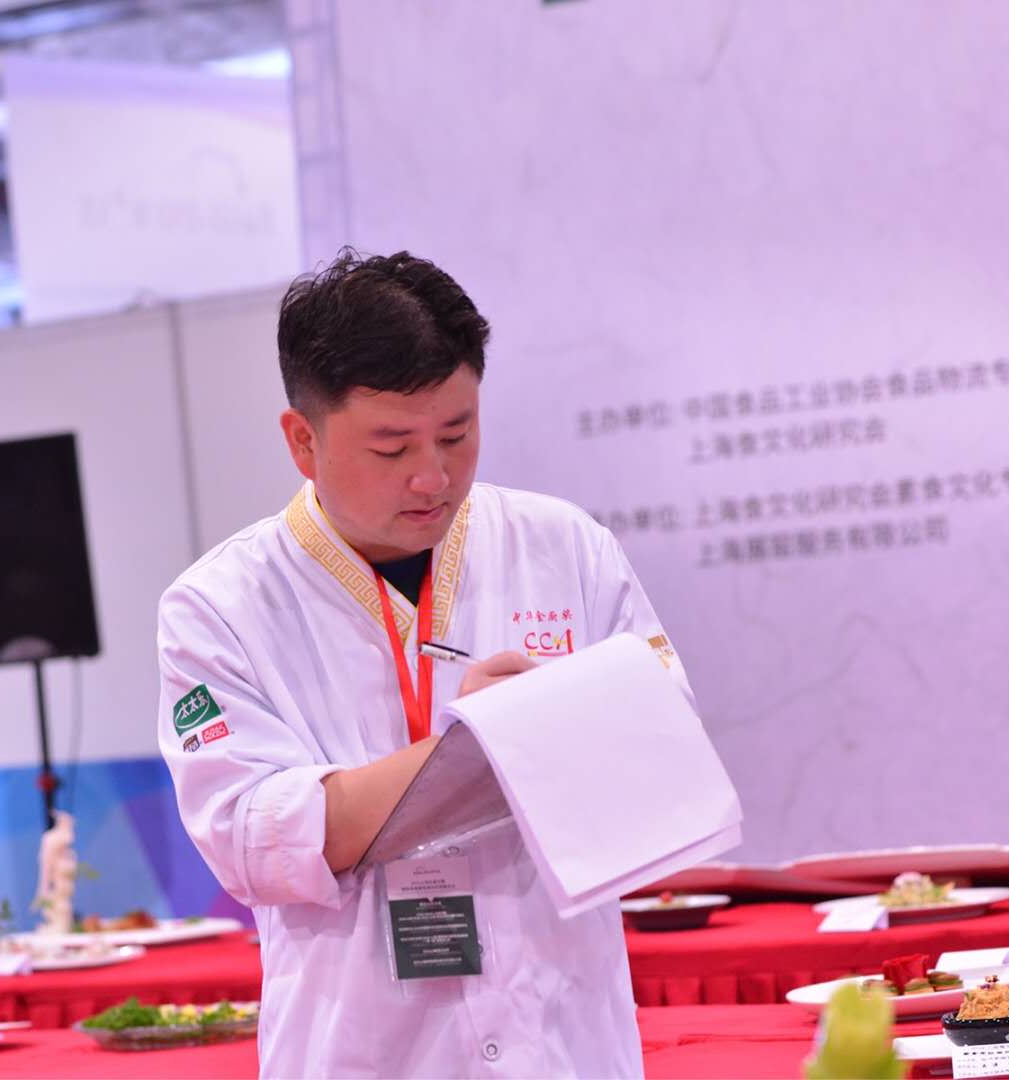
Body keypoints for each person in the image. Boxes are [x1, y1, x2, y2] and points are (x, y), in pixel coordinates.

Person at [156, 249, 694, 1078]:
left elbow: (668, 760)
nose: (433, 477)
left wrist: (549, 735)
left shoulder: (564, 547)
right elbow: (251, 842)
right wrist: (492, 741)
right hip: (363, 1052)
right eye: (390, 448)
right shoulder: (218, 605)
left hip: (562, 1043)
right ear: (302, 440)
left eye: (456, 433)